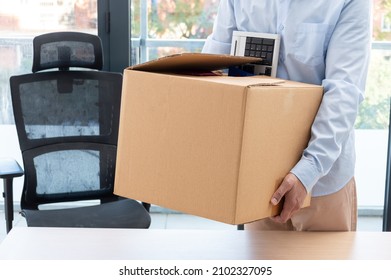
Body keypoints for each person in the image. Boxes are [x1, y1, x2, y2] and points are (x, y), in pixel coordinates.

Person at [202, 0, 371, 231]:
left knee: (328, 267)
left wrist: (307, 171)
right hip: (258, 177)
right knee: (263, 266)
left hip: (322, 181)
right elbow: (215, 67)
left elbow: (344, 92)